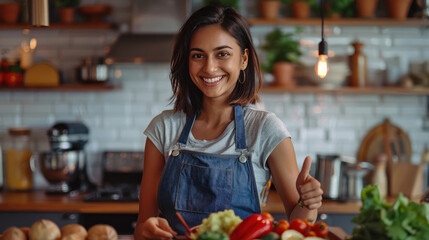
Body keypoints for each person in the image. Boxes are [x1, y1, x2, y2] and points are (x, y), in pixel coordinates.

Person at [134, 5, 323, 240]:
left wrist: (309, 203)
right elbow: (143, 226)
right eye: (198, 55)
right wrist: (146, 231)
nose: (209, 67)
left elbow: (298, 225)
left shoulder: (266, 129)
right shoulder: (163, 128)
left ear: (243, 59)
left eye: (222, 54)